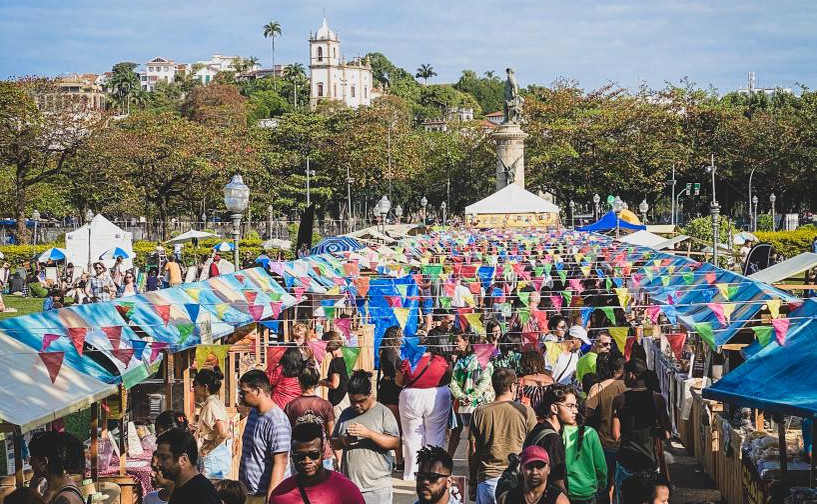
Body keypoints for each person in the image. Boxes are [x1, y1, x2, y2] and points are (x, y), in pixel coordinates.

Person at [469, 368, 537, 504]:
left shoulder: (480, 412)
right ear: (512, 386)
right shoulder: (525, 411)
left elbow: (473, 450)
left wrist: (472, 481)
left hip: (487, 478)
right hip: (516, 479)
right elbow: (534, 446)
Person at [332, 370, 400, 503]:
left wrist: (368, 433)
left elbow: (394, 442)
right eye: (352, 401)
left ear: (370, 395)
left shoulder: (383, 413)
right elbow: (334, 442)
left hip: (376, 488)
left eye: (361, 401)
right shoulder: (346, 414)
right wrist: (343, 440)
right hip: (350, 487)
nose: (356, 405)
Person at [612, 359, 671, 503]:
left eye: (624, 374)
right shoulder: (657, 399)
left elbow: (615, 435)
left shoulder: (620, 400)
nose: (623, 378)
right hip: (649, 463)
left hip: (627, 462)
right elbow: (667, 434)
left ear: (631, 375)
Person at [398, 331, 452, 480]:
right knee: (436, 435)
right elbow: (447, 377)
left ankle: (411, 473)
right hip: (437, 396)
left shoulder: (407, 361)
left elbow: (399, 381)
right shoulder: (440, 360)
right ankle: (435, 470)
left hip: (411, 398)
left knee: (411, 437)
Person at [269, 422, 365, 503]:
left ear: (323, 451)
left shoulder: (346, 489)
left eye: (313, 455)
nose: (307, 461)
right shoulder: (279, 495)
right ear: (292, 455)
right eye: (300, 456)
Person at [238, 370, 291, 504]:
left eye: (245, 392)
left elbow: (281, 462)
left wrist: (271, 498)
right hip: (248, 492)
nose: (242, 396)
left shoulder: (277, 421)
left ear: (257, 390)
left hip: (264, 495)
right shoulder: (254, 413)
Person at [585, 354, 627, 504]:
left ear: (609, 369)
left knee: (603, 486)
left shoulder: (598, 388)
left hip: (602, 444)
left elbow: (587, 413)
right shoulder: (629, 388)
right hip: (626, 445)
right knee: (624, 489)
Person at [449, 332, 494, 457]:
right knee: (479, 436)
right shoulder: (480, 363)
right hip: (477, 404)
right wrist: (466, 397)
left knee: (472, 437)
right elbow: (454, 382)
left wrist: (463, 397)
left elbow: (454, 383)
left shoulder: (463, 362)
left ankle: (474, 464)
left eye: (457, 340)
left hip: (470, 404)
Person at [284, 365, 336, 470]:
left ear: (299, 382)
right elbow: (331, 433)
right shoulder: (325, 405)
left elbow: (286, 431)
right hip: (322, 454)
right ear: (317, 382)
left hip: (299, 455)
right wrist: (338, 456)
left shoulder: (291, 406)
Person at [524, 385, 572, 495]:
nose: (575, 411)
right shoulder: (553, 439)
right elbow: (557, 481)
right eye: (570, 406)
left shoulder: (538, 429)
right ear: (554, 408)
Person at [155, 428, 221, 504]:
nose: (158, 463)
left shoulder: (200, 494)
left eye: (164, 458)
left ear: (183, 460)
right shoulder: (181, 487)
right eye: (158, 457)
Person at [562, 400, 607, 504]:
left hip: (565, 491)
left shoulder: (559, 432)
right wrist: (602, 484)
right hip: (587, 491)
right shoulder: (590, 433)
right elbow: (600, 466)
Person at [193, 368, 232, 479]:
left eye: (196, 385)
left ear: (205, 387)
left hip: (213, 457)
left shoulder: (211, 405)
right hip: (215, 456)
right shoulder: (213, 402)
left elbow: (223, 433)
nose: (194, 388)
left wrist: (206, 450)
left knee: (213, 490)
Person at [495, 446, 569, 504]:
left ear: (548, 469)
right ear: (521, 469)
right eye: (529, 467)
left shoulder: (558, 500)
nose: (534, 472)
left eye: (540, 466)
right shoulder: (507, 498)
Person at [27, 431, 85, 504]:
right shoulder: (56, 488)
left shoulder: (64, 498)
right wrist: (33, 490)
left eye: (32, 459)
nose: (30, 463)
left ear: (44, 462)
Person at [376, 325, 404, 468]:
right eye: (400, 335)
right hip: (391, 390)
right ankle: (397, 461)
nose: (402, 338)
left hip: (391, 389)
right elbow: (392, 373)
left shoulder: (390, 351)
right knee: (394, 427)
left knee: (394, 427)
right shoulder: (389, 353)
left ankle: (398, 460)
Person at [319, 331, 350, 419]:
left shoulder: (335, 362)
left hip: (339, 399)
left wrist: (321, 382)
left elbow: (334, 384)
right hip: (343, 397)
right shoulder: (340, 359)